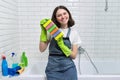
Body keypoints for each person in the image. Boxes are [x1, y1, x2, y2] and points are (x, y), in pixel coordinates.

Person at [39, 5, 81, 80]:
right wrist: (43, 32)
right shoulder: (52, 31)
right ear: (56, 18)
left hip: (69, 68)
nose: (63, 16)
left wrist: (62, 45)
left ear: (68, 14)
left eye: (65, 13)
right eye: (59, 15)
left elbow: (74, 56)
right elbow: (42, 49)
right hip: (53, 69)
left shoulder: (74, 33)